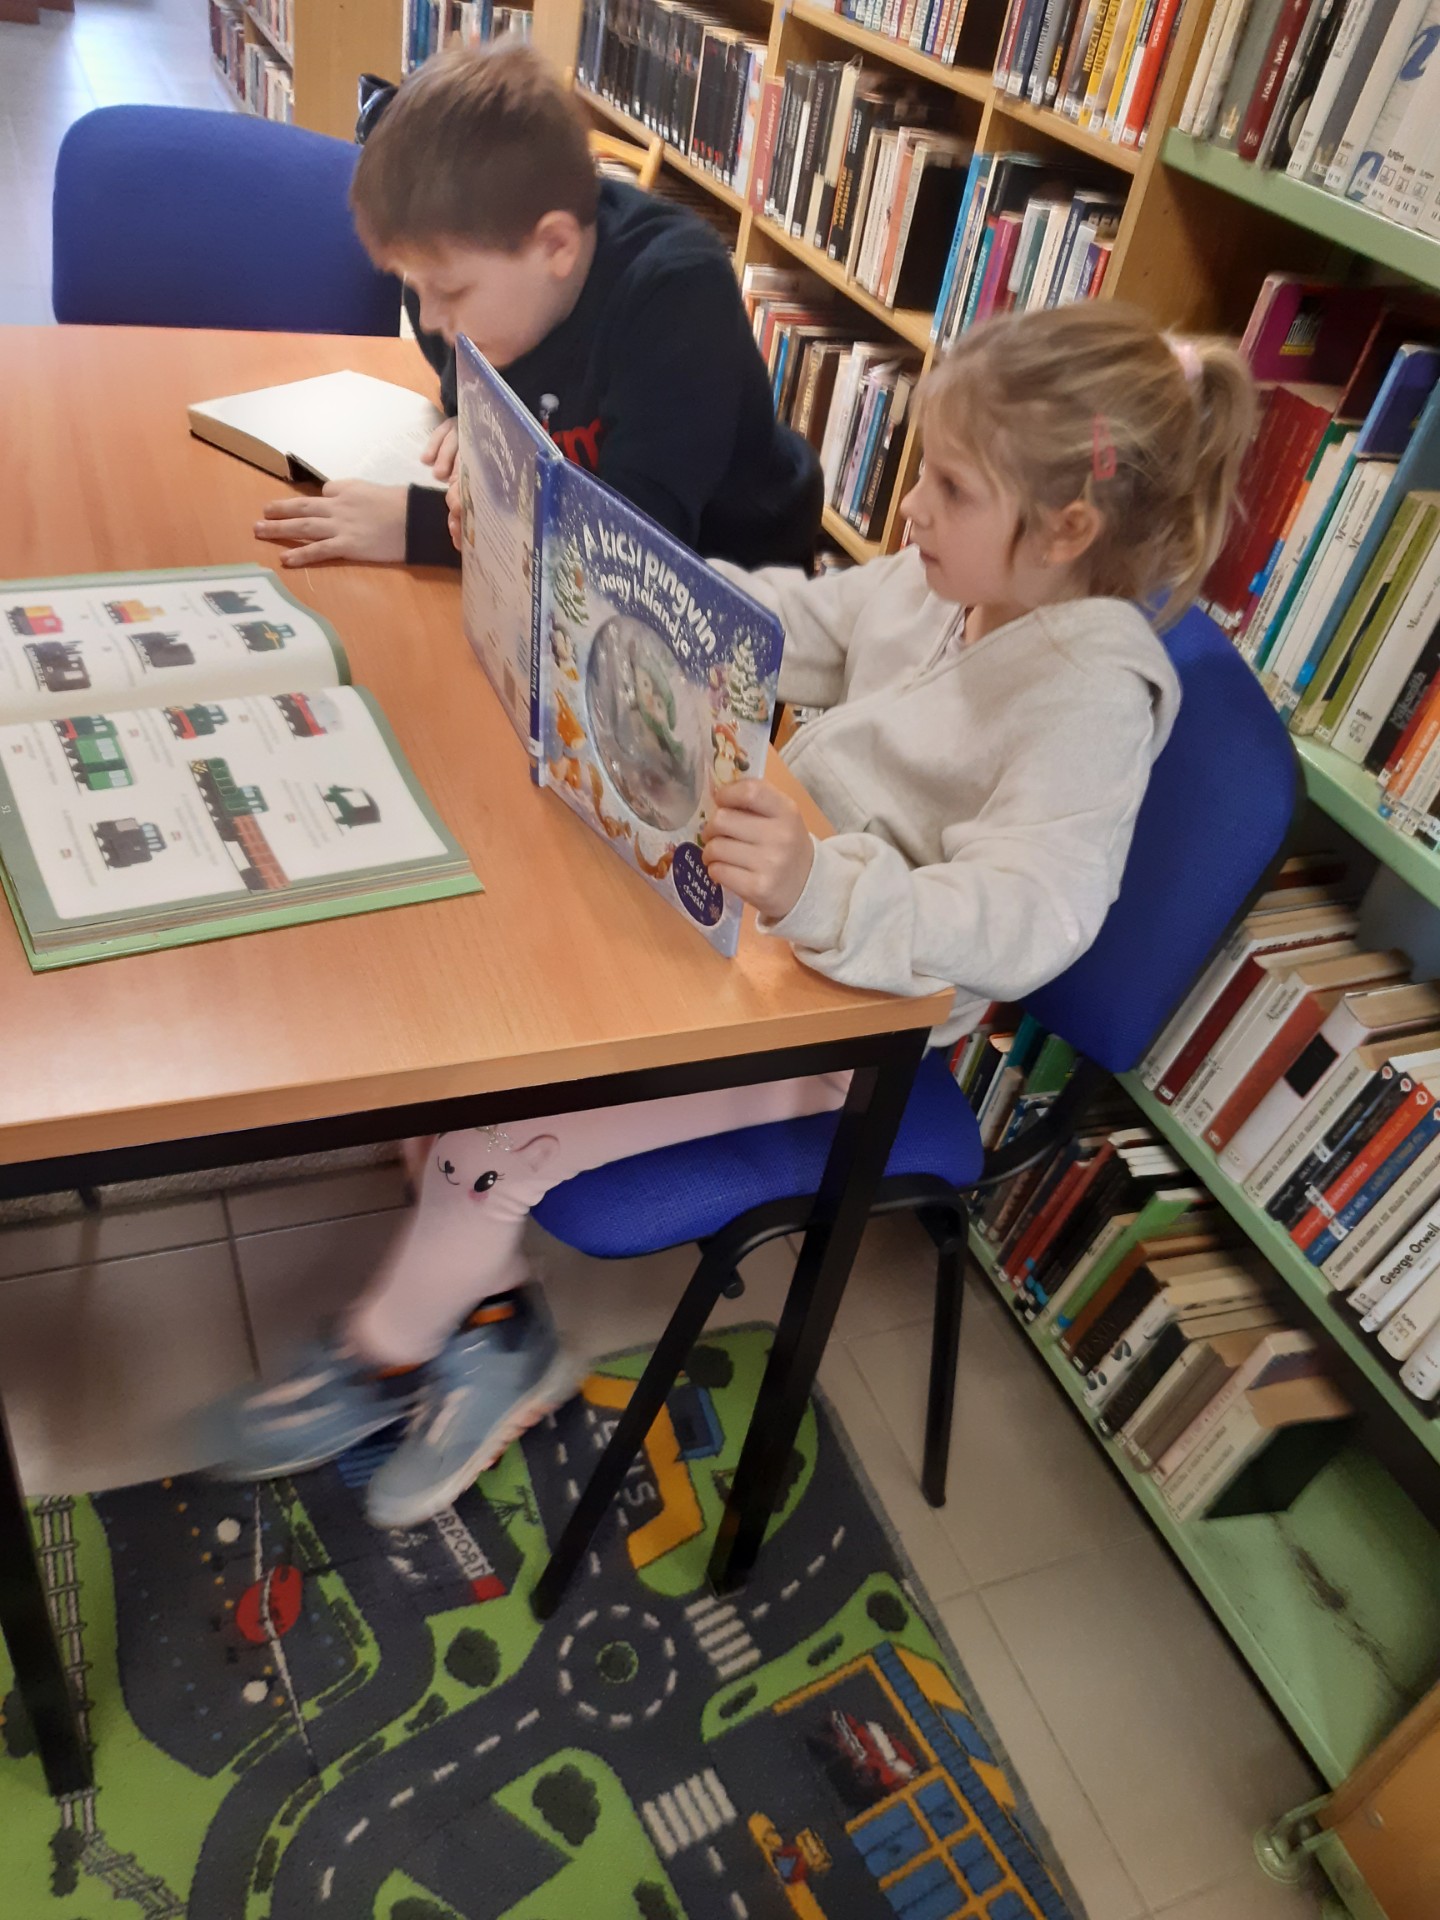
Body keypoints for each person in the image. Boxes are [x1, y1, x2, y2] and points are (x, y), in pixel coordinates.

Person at [211, 304, 1255, 1529]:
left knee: (491, 1129)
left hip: (851, 1029)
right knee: (460, 1038)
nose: (913, 508)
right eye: (924, 471)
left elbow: (1035, 917)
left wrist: (823, 887)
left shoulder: (1091, 702)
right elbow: (783, 627)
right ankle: (489, 1316)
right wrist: (623, 582)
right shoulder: (949, 584)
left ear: (1068, 529)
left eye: (952, 488)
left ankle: (388, 1355)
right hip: (766, 930)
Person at [253, 41, 823, 572]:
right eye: (414, 286)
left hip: (735, 574)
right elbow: (473, 386)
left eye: (450, 292)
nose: (426, 320)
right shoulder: (468, 291)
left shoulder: (678, 297)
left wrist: (416, 526)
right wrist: (470, 421)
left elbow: (628, 554)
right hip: (564, 540)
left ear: (555, 247)